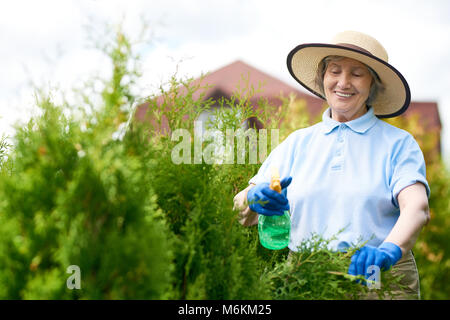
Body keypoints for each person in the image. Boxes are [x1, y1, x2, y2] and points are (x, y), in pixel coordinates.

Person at [233, 31, 430, 299]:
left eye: (357, 74)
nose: (343, 82)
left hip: (377, 277)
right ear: (323, 77)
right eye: (334, 71)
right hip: (308, 277)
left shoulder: (398, 144)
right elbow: (241, 209)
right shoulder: (298, 143)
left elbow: (416, 208)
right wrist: (253, 198)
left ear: (373, 84)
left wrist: (389, 250)